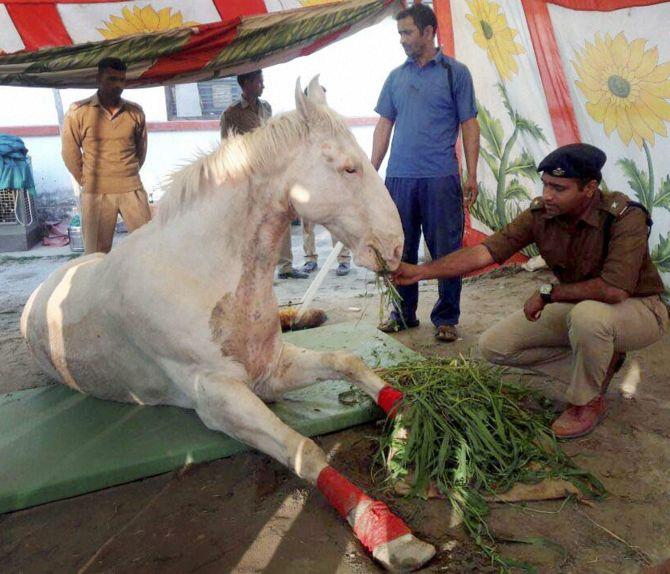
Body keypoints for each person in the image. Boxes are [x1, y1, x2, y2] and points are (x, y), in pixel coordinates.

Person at [392, 143, 669, 439]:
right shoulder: (542, 213)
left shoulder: (625, 216)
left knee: (590, 319)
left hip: (640, 309)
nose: (547, 194)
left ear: (589, 188)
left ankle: (586, 402)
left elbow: (614, 291)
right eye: (546, 184)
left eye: (559, 188)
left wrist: (548, 294)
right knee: (494, 346)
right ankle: (602, 363)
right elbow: (485, 253)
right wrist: (421, 271)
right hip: (583, 307)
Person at [371, 3, 480, 342]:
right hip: (398, 179)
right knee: (398, 250)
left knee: (446, 251)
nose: (402, 40)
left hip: (440, 178)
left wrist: (472, 174)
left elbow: (469, 125)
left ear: (429, 31)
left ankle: (446, 317)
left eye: (407, 32)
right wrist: (372, 171)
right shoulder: (395, 77)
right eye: (400, 33)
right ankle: (403, 314)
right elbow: (384, 124)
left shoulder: (455, 73)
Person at [221, 69, 307, 280]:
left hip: (271, 175)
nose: (263, 85)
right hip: (248, 178)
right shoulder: (231, 114)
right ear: (246, 83)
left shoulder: (266, 107)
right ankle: (249, 270)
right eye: (259, 82)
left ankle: (286, 267)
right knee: (251, 225)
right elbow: (226, 148)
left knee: (281, 215)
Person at [61, 57, 151, 255]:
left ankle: (139, 285)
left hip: (131, 188)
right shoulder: (79, 112)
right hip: (96, 192)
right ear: (98, 78)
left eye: (122, 80)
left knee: (147, 247)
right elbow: (69, 152)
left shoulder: (135, 112)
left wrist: (127, 172)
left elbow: (141, 150)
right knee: (96, 255)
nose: (118, 85)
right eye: (111, 79)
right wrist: (86, 179)